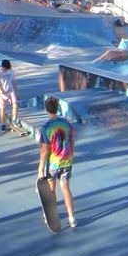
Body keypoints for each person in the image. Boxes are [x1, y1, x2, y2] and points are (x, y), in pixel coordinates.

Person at [37, 97, 77, 228]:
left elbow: (44, 150)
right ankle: (72, 218)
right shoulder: (66, 123)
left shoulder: (46, 128)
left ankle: (53, 215)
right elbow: (72, 142)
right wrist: (71, 155)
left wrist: (40, 170)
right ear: (57, 107)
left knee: (52, 189)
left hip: (53, 165)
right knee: (66, 188)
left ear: (46, 110)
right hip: (66, 162)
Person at [0, 59, 20, 132]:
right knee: (2, 108)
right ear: (3, 67)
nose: (7, 70)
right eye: (6, 69)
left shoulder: (11, 70)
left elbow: (13, 81)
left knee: (15, 104)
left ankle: (14, 121)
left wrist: (17, 92)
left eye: (8, 68)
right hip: (2, 93)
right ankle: (3, 124)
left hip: (11, 91)